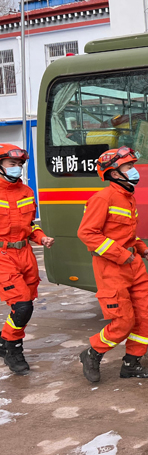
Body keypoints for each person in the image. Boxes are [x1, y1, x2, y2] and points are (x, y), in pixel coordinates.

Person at [77, 147, 148, 382]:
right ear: (114, 173)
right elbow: (87, 234)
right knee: (123, 321)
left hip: (135, 265)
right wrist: (122, 255)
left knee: (146, 315)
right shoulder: (102, 198)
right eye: (129, 167)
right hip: (111, 268)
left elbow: (126, 234)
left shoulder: (128, 197)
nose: (134, 171)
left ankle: (131, 364)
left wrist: (141, 248)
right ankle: (93, 353)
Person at [0, 144, 54, 374]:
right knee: (21, 306)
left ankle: (5, 340)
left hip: (26, 254)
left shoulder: (26, 192)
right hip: (3, 256)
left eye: (20, 164)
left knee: (26, 307)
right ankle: (13, 349)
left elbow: (30, 226)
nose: (17, 168)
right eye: (12, 163)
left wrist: (41, 238)